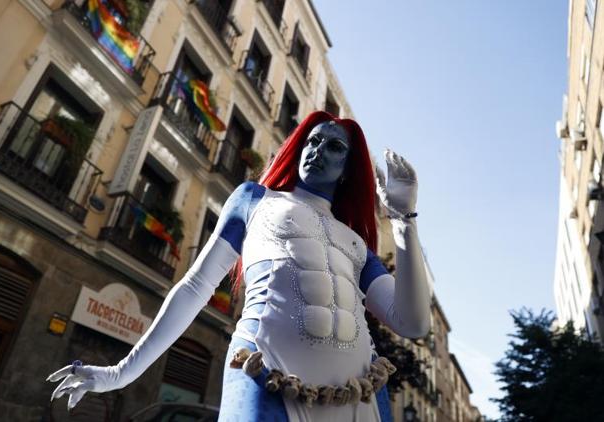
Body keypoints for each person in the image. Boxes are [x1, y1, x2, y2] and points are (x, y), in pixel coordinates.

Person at [47, 111, 430, 421]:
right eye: (312, 141)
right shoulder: (253, 199)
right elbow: (196, 287)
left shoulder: (357, 244)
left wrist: (403, 219)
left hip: (359, 396)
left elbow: (412, 322)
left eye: (333, 147)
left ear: (348, 169)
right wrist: (120, 373)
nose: (318, 150)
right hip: (266, 374)